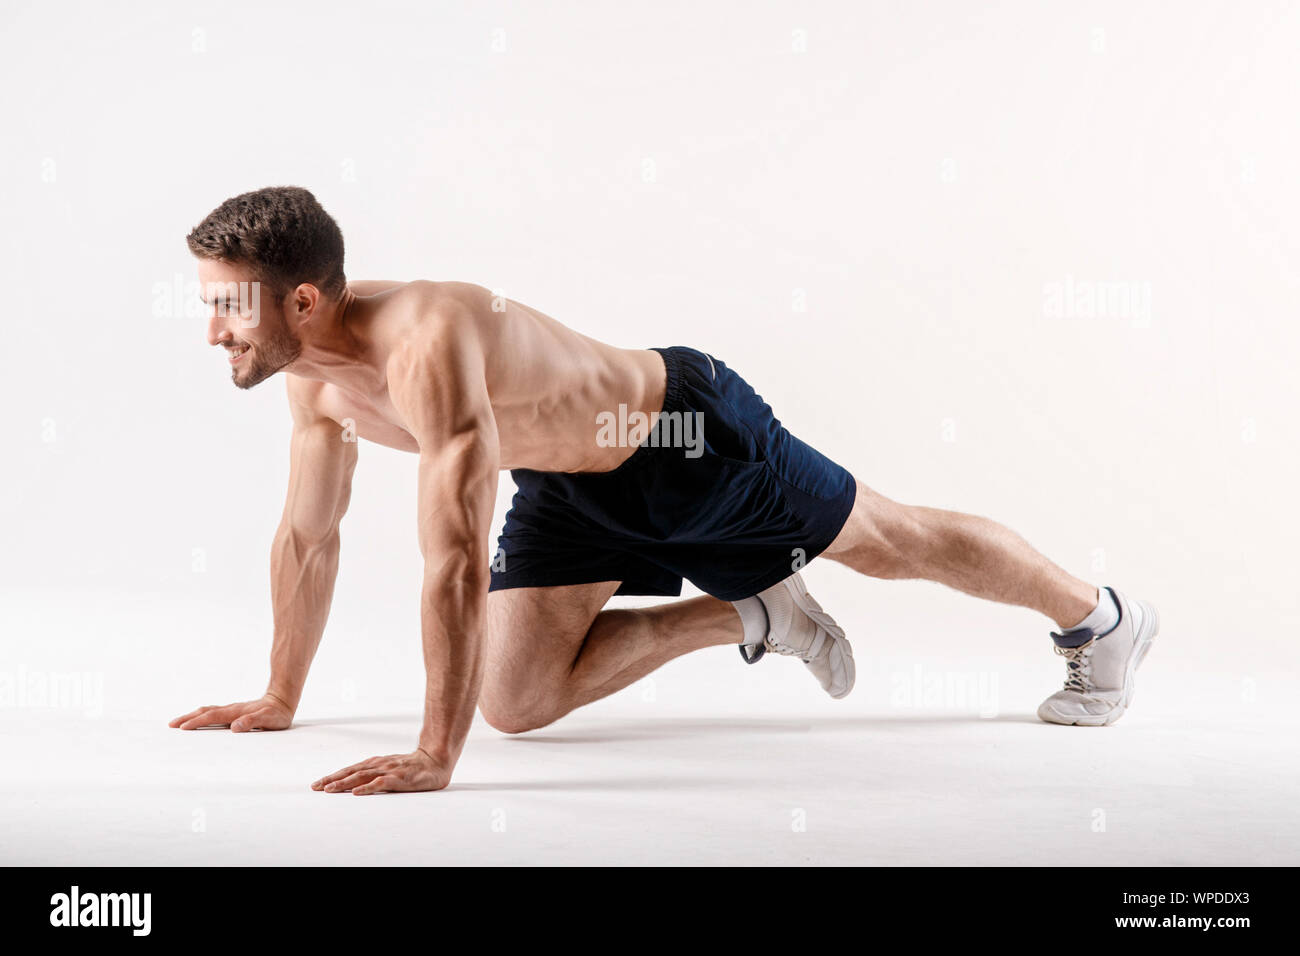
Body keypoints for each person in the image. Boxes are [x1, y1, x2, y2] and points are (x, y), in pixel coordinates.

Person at [170, 186, 1159, 795]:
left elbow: (454, 555)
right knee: (515, 699)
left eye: (228, 305)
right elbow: (308, 537)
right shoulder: (309, 379)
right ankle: (750, 611)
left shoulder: (429, 339)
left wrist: (436, 753)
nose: (214, 329)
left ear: (302, 298)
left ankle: (1097, 618)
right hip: (565, 477)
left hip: (681, 434)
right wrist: (279, 693)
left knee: (885, 537)